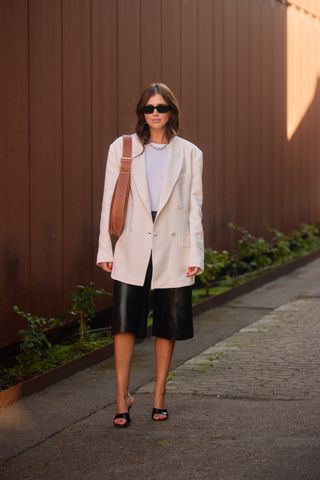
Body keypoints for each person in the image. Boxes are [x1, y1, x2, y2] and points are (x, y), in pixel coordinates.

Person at [97, 82, 204, 427]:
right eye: (149, 108)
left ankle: (159, 395)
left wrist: (195, 253)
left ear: (172, 111)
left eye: (162, 108)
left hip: (174, 245)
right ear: (141, 113)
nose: (155, 114)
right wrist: (105, 247)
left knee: (167, 325)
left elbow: (194, 208)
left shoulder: (190, 153)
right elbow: (109, 201)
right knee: (125, 324)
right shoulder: (123, 148)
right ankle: (121, 397)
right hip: (132, 243)